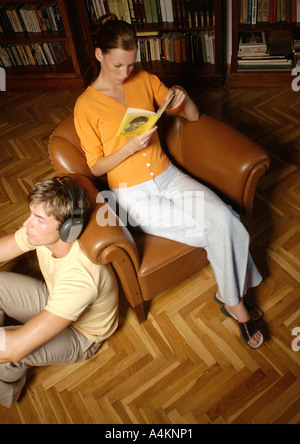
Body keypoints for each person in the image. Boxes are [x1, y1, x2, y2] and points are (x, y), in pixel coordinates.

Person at [74, 16, 264, 350]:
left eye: (131, 64)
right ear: (99, 54)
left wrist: (183, 96)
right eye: (118, 64)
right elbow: (95, 164)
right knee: (224, 222)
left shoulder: (145, 79)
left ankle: (226, 292)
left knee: (222, 218)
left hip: (169, 176)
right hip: (132, 196)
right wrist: (130, 147)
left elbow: (191, 116)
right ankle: (235, 304)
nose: (125, 73)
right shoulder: (86, 106)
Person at [0, 177, 118, 408]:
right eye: (31, 214)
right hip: (55, 299)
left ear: (68, 228)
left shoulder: (81, 278)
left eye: (39, 219)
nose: (26, 224)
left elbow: (15, 349)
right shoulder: (43, 234)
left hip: (83, 335)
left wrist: (9, 344)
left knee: (9, 357)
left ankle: (4, 392)